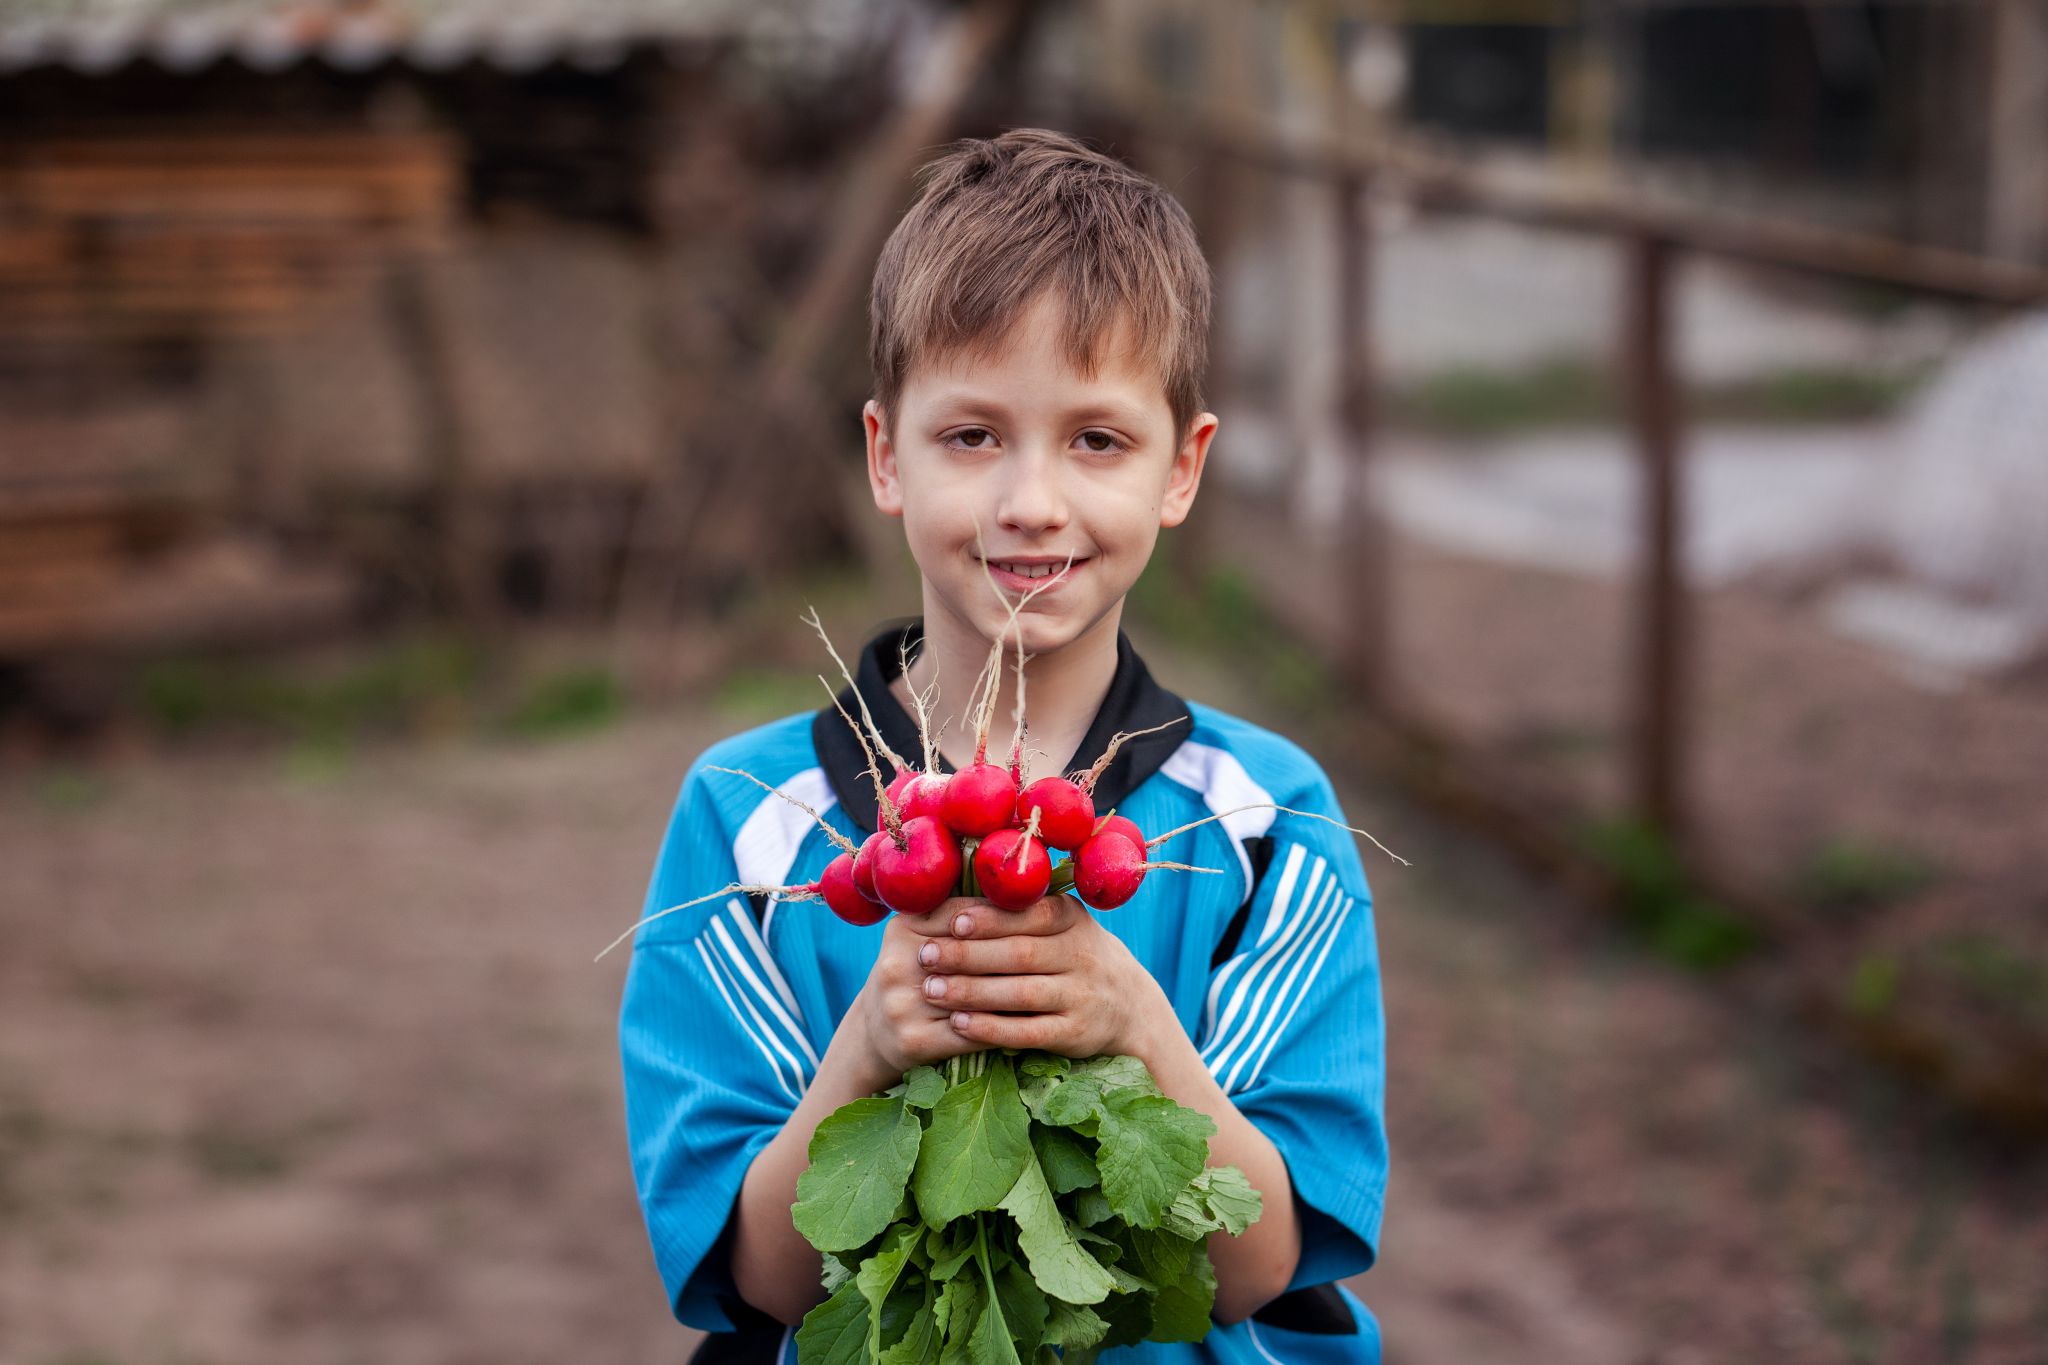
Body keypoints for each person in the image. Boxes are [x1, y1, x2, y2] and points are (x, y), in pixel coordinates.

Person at [619, 128, 1388, 1364]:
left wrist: (1134, 1025)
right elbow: (760, 1282)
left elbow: (1258, 1265)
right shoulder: (746, 820)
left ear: (1181, 470)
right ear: (886, 456)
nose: (1031, 501)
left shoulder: (1262, 822)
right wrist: (865, 1054)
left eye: (1096, 440)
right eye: (972, 436)